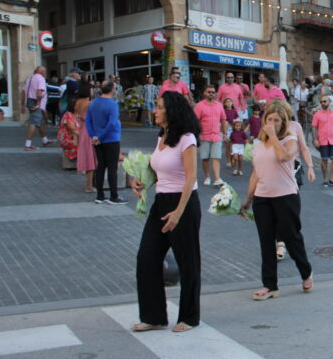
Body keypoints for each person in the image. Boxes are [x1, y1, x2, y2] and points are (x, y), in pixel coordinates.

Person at [131, 91, 202, 333]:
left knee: (188, 261)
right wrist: (141, 182)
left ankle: (189, 317)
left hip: (184, 204)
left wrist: (178, 213)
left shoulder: (187, 139)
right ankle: (154, 316)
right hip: (161, 202)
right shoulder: (162, 136)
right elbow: (159, 170)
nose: (155, 110)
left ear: (171, 111)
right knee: (147, 258)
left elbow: (191, 176)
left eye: (159, 107)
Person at [240, 103, 314, 300]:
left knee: (291, 238)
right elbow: (255, 174)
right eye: (269, 119)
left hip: (286, 196)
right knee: (266, 242)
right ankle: (269, 285)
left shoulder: (289, 140)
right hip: (263, 199)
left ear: (283, 124)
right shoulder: (258, 145)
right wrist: (247, 200)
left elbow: (283, 157)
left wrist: (272, 136)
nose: (271, 123)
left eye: (276, 120)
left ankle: (306, 272)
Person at [86, 81, 127, 204]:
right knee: (112, 167)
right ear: (112, 90)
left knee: (101, 165)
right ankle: (114, 196)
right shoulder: (112, 104)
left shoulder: (93, 103)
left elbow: (88, 121)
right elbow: (112, 123)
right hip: (111, 139)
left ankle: (100, 195)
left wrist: (93, 135)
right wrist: (101, 136)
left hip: (97, 139)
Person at [193, 85, 228, 186]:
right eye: (209, 92)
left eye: (213, 92)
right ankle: (207, 177)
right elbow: (196, 121)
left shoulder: (219, 105)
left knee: (216, 157)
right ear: (204, 93)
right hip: (204, 135)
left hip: (217, 135)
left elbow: (223, 119)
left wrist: (225, 133)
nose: (211, 94)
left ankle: (217, 178)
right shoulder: (199, 105)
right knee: (205, 158)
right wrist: (197, 134)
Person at [312, 95, 333, 187]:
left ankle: (332, 179)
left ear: (329, 102)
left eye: (324, 101)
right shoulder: (317, 114)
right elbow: (314, 127)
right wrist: (315, 139)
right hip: (322, 140)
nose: (323, 103)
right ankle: (325, 179)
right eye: (321, 102)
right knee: (324, 160)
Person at [21, 66, 54, 151]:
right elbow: (39, 91)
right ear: (41, 71)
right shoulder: (41, 79)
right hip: (36, 102)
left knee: (40, 122)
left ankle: (45, 140)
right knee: (34, 123)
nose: (45, 73)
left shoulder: (29, 79)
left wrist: (22, 105)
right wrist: (38, 103)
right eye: (45, 71)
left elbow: (23, 92)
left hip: (30, 101)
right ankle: (28, 145)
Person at [75, 82, 97, 193]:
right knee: (90, 159)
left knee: (87, 156)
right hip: (89, 131)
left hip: (81, 130)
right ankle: (89, 186)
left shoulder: (78, 102)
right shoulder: (89, 103)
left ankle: (88, 184)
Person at [58, 97, 79, 162]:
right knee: (82, 146)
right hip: (66, 137)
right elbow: (72, 129)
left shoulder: (78, 115)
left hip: (75, 137)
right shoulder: (68, 115)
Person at [222, 98, 238, 168]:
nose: (228, 103)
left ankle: (232, 160)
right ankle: (228, 161)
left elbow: (238, 120)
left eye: (230, 102)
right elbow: (222, 120)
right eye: (227, 102)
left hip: (233, 129)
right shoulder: (223, 111)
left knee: (232, 146)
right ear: (224, 104)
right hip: (226, 130)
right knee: (227, 146)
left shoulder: (234, 111)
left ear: (232, 103)